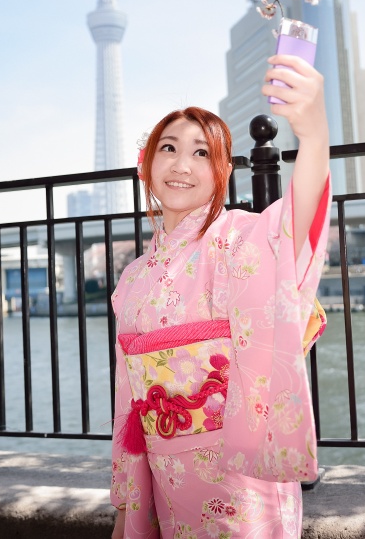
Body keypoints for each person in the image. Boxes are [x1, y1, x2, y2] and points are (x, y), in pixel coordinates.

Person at [109, 53, 331, 539]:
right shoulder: (132, 278)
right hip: (164, 472)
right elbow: (129, 399)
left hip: (236, 470)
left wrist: (314, 136)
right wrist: (127, 504)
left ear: (223, 171)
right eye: (169, 148)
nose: (181, 165)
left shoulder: (239, 238)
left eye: (201, 153)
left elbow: (296, 225)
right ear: (146, 164)